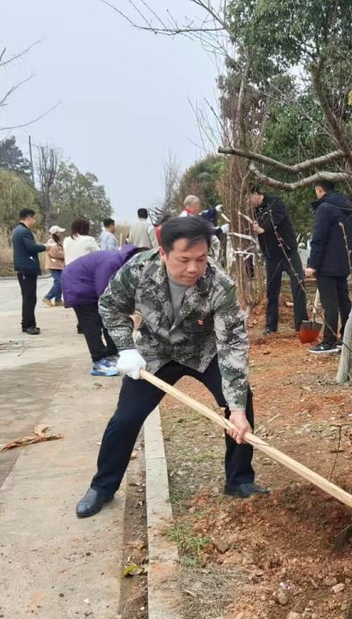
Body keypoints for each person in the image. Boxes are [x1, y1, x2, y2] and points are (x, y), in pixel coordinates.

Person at [75, 216, 265, 518]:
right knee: (125, 420)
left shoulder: (219, 284)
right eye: (184, 259)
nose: (193, 268)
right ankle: (102, 487)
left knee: (241, 403)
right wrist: (125, 348)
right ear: (163, 253)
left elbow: (232, 344)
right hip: (155, 353)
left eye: (201, 259)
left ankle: (239, 480)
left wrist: (237, 408)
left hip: (203, 352)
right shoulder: (138, 270)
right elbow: (111, 306)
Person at [62, 245, 142, 377]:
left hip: (90, 285)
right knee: (91, 325)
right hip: (78, 286)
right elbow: (104, 292)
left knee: (109, 321)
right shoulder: (111, 263)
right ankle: (98, 361)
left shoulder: (123, 263)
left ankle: (112, 354)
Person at [304, 180, 352, 354]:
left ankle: (329, 341)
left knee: (330, 304)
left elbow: (318, 238)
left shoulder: (324, 208)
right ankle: (347, 337)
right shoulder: (347, 208)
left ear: (319, 190)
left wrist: (312, 265)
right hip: (344, 262)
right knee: (343, 301)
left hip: (327, 265)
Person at [249, 185, 307, 334]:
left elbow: (276, 219)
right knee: (272, 292)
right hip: (272, 257)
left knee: (298, 286)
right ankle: (270, 326)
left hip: (288, 253)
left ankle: (301, 324)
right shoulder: (256, 211)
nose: (248, 202)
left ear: (257, 193)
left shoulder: (276, 203)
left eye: (249, 198)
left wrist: (262, 229)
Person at [12, 208, 46, 335]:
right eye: (33, 218)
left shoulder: (18, 230)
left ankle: (27, 323)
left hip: (23, 269)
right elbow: (31, 247)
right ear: (28, 218)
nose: (35, 220)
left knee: (28, 297)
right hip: (27, 269)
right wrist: (45, 247)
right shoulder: (24, 232)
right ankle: (28, 325)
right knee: (29, 298)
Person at [181, 195, 221, 260]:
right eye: (198, 205)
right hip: (193, 253)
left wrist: (215, 210)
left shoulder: (191, 215)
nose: (199, 208)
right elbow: (202, 231)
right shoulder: (186, 219)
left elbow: (203, 215)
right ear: (192, 205)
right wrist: (220, 230)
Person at [42, 226, 66, 307]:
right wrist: (66, 254)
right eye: (59, 232)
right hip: (54, 265)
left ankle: (58, 300)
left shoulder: (57, 241)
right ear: (55, 233)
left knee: (60, 282)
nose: (61, 233)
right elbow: (54, 253)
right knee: (59, 282)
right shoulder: (51, 241)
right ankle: (47, 297)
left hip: (59, 265)